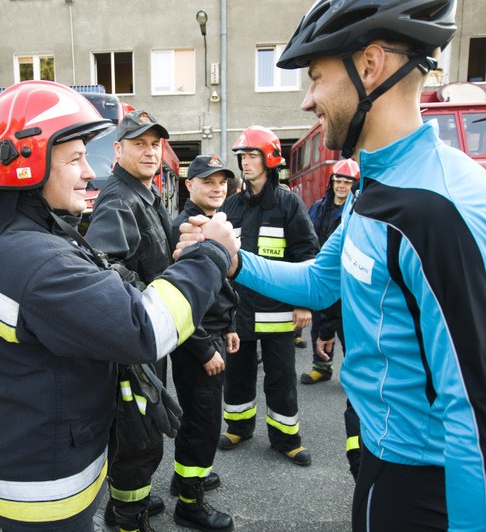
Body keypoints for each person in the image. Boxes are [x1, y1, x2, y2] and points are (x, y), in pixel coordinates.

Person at [177, 1, 486, 529]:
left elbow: (483, 419)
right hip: (377, 451)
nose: (307, 99)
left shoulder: (437, 209)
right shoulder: (377, 187)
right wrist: (232, 259)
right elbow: (320, 282)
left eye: (316, 77)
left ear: (370, 65)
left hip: (424, 482)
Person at [0, 81, 238, 532]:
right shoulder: (35, 259)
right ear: (29, 161)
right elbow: (144, 328)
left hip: (16, 463)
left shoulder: (2, 237)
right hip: (44, 496)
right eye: (75, 159)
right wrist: (212, 255)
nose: (88, 173)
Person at [84, 109, 175, 531]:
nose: (150, 151)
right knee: (138, 436)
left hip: (146, 335)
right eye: (139, 143)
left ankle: (128, 502)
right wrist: (150, 299)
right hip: (132, 341)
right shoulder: (121, 197)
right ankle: (127, 519)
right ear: (118, 149)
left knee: (141, 433)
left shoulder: (144, 193)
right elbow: (104, 266)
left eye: (155, 144)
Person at [217, 125, 319, 466]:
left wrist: (303, 302)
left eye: (252, 155)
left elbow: (307, 254)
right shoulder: (231, 206)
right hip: (239, 311)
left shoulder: (288, 204)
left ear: (270, 159)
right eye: (242, 156)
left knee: (281, 377)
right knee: (237, 373)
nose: (245, 162)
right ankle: (238, 427)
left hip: (278, 311)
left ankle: (286, 439)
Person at [169, 154, 238, 531]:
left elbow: (218, 287)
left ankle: (185, 479)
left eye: (222, 182)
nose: (217, 188)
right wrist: (204, 347)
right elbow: (178, 296)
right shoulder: (188, 229)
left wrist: (228, 325)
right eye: (208, 181)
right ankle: (190, 505)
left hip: (213, 332)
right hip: (197, 340)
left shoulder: (212, 222)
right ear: (189, 185)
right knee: (203, 423)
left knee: (200, 418)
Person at [301, 159, 358, 385]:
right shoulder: (318, 207)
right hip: (321, 273)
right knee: (319, 323)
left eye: (347, 182)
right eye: (338, 181)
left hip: (346, 278)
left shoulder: (357, 210)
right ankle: (322, 367)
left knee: (347, 329)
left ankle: (356, 374)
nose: (341, 186)